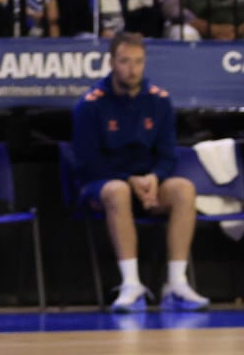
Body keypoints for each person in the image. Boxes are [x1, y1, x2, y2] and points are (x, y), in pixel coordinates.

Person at [72, 31, 209, 311]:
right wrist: (129, 180)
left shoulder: (159, 101)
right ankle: (131, 284)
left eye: (138, 62)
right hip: (103, 184)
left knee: (184, 189)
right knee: (118, 191)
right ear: (111, 62)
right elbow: (88, 162)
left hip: (148, 183)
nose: (132, 69)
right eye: (125, 61)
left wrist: (154, 178)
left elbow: (168, 154)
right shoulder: (90, 105)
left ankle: (177, 284)